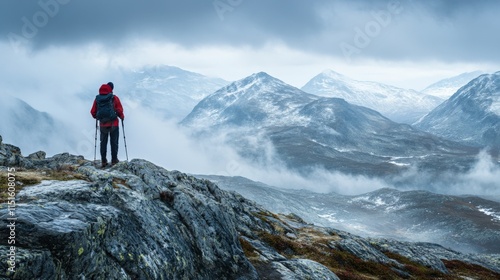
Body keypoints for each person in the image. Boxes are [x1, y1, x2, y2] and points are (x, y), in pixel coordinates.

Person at [90, 82, 125, 167]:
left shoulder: (97, 99)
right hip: (114, 124)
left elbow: (93, 112)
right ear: (111, 89)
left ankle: (103, 161)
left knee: (103, 142)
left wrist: (98, 117)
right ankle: (114, 160)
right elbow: (119, 110)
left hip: (103, 124)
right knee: (114, 142)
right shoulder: (114, 98)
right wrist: (122, 117)